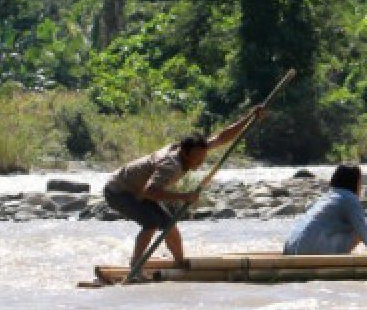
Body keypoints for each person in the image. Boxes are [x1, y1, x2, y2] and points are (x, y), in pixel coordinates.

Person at [103, 104, 266, 268]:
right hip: (118, 191)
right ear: (185, 153)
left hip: (137, 190)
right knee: (150, 223)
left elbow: (222, 138)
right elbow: (149, 191)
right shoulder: (171, 165)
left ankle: (180, 263)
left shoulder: (194, 149)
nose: (200, 162)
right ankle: (135, 267)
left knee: (169, 225)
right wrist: (184, 196)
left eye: (203, 158)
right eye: (197, 159)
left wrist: (250, 118)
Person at [283, 164, 367, 255]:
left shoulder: (326, 197)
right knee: (358, 232)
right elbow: (365, 233)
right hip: (308, 250)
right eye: (360, 182)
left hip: (290, 247)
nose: (360, 187)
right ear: (354, 183)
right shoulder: (350, 199)